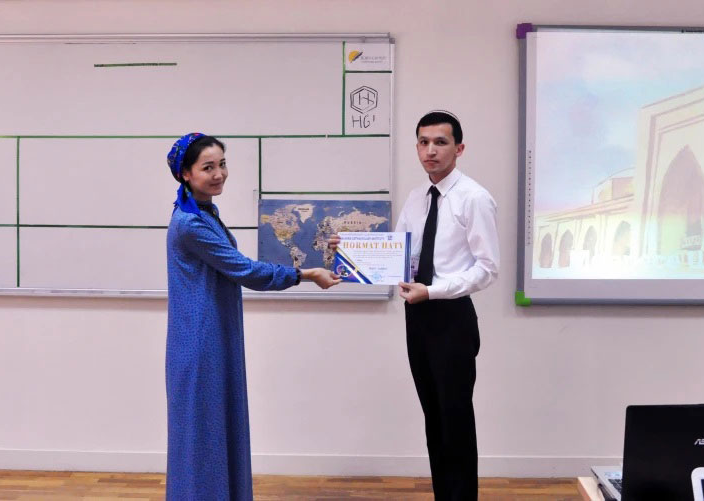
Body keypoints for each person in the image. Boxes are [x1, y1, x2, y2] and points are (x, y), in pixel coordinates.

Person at [332, 111, 499, 500]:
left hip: (451, 316)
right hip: (418, 316)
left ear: (459, 148)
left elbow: (488, 269)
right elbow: (399, 255)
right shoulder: (417, 197)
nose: (430, 151)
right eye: (423, 142)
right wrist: (349, 252)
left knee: (455, 419)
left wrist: (434, 291)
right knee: (434, 418)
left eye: (440, 142)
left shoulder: (474, 198)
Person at [165, 132, 340, 501]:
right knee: (203, 436)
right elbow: (245, 270)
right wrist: (306, 274)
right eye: (208, 168)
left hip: (214, 334)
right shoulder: (190, 223)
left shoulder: (204, 212)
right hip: (201, 341)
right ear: (185, 174)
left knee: (218, 429)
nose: (219, 174)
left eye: (222, 164)